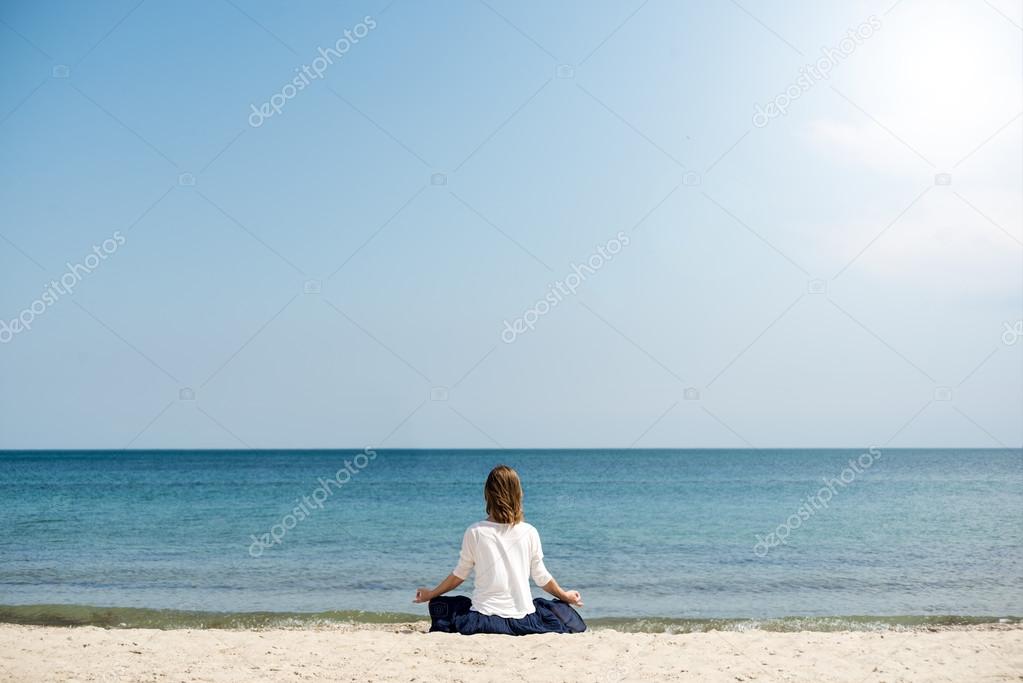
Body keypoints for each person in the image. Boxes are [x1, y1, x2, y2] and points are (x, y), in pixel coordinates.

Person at [413, 464, 586, 635]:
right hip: (524, 621)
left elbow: (459, 575)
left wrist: (431, 594)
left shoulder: (475, 531)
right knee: (552, 607)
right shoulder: (529, 532)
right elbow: (541, 577)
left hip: (483, 620)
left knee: (443, 605)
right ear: (518, 494)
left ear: (488, 494)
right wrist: (565, 596)